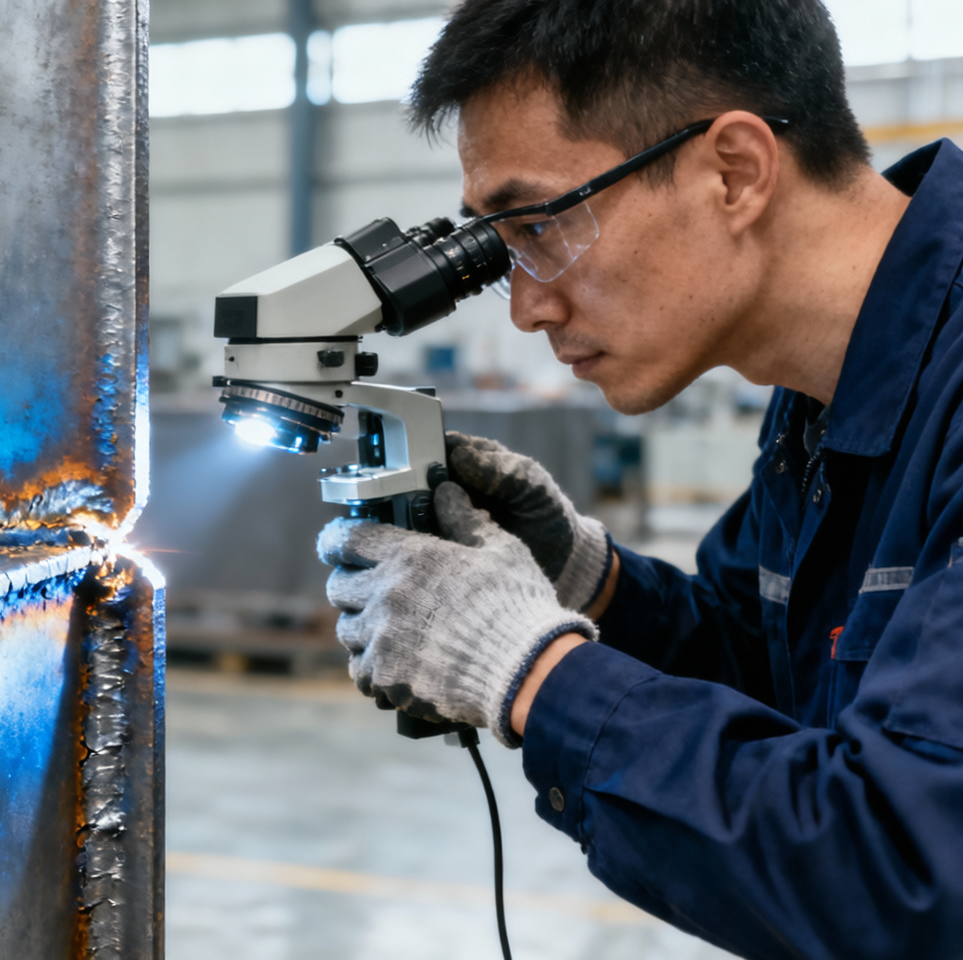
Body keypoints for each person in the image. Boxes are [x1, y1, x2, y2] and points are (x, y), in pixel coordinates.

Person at [315, 1, 963, 956]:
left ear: (733, 171)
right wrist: (589, 582)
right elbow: (787, 678)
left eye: (537, 227)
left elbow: (911, 869)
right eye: (503, 253)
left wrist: (531, 673)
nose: (528, 308)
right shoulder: (822, 393)